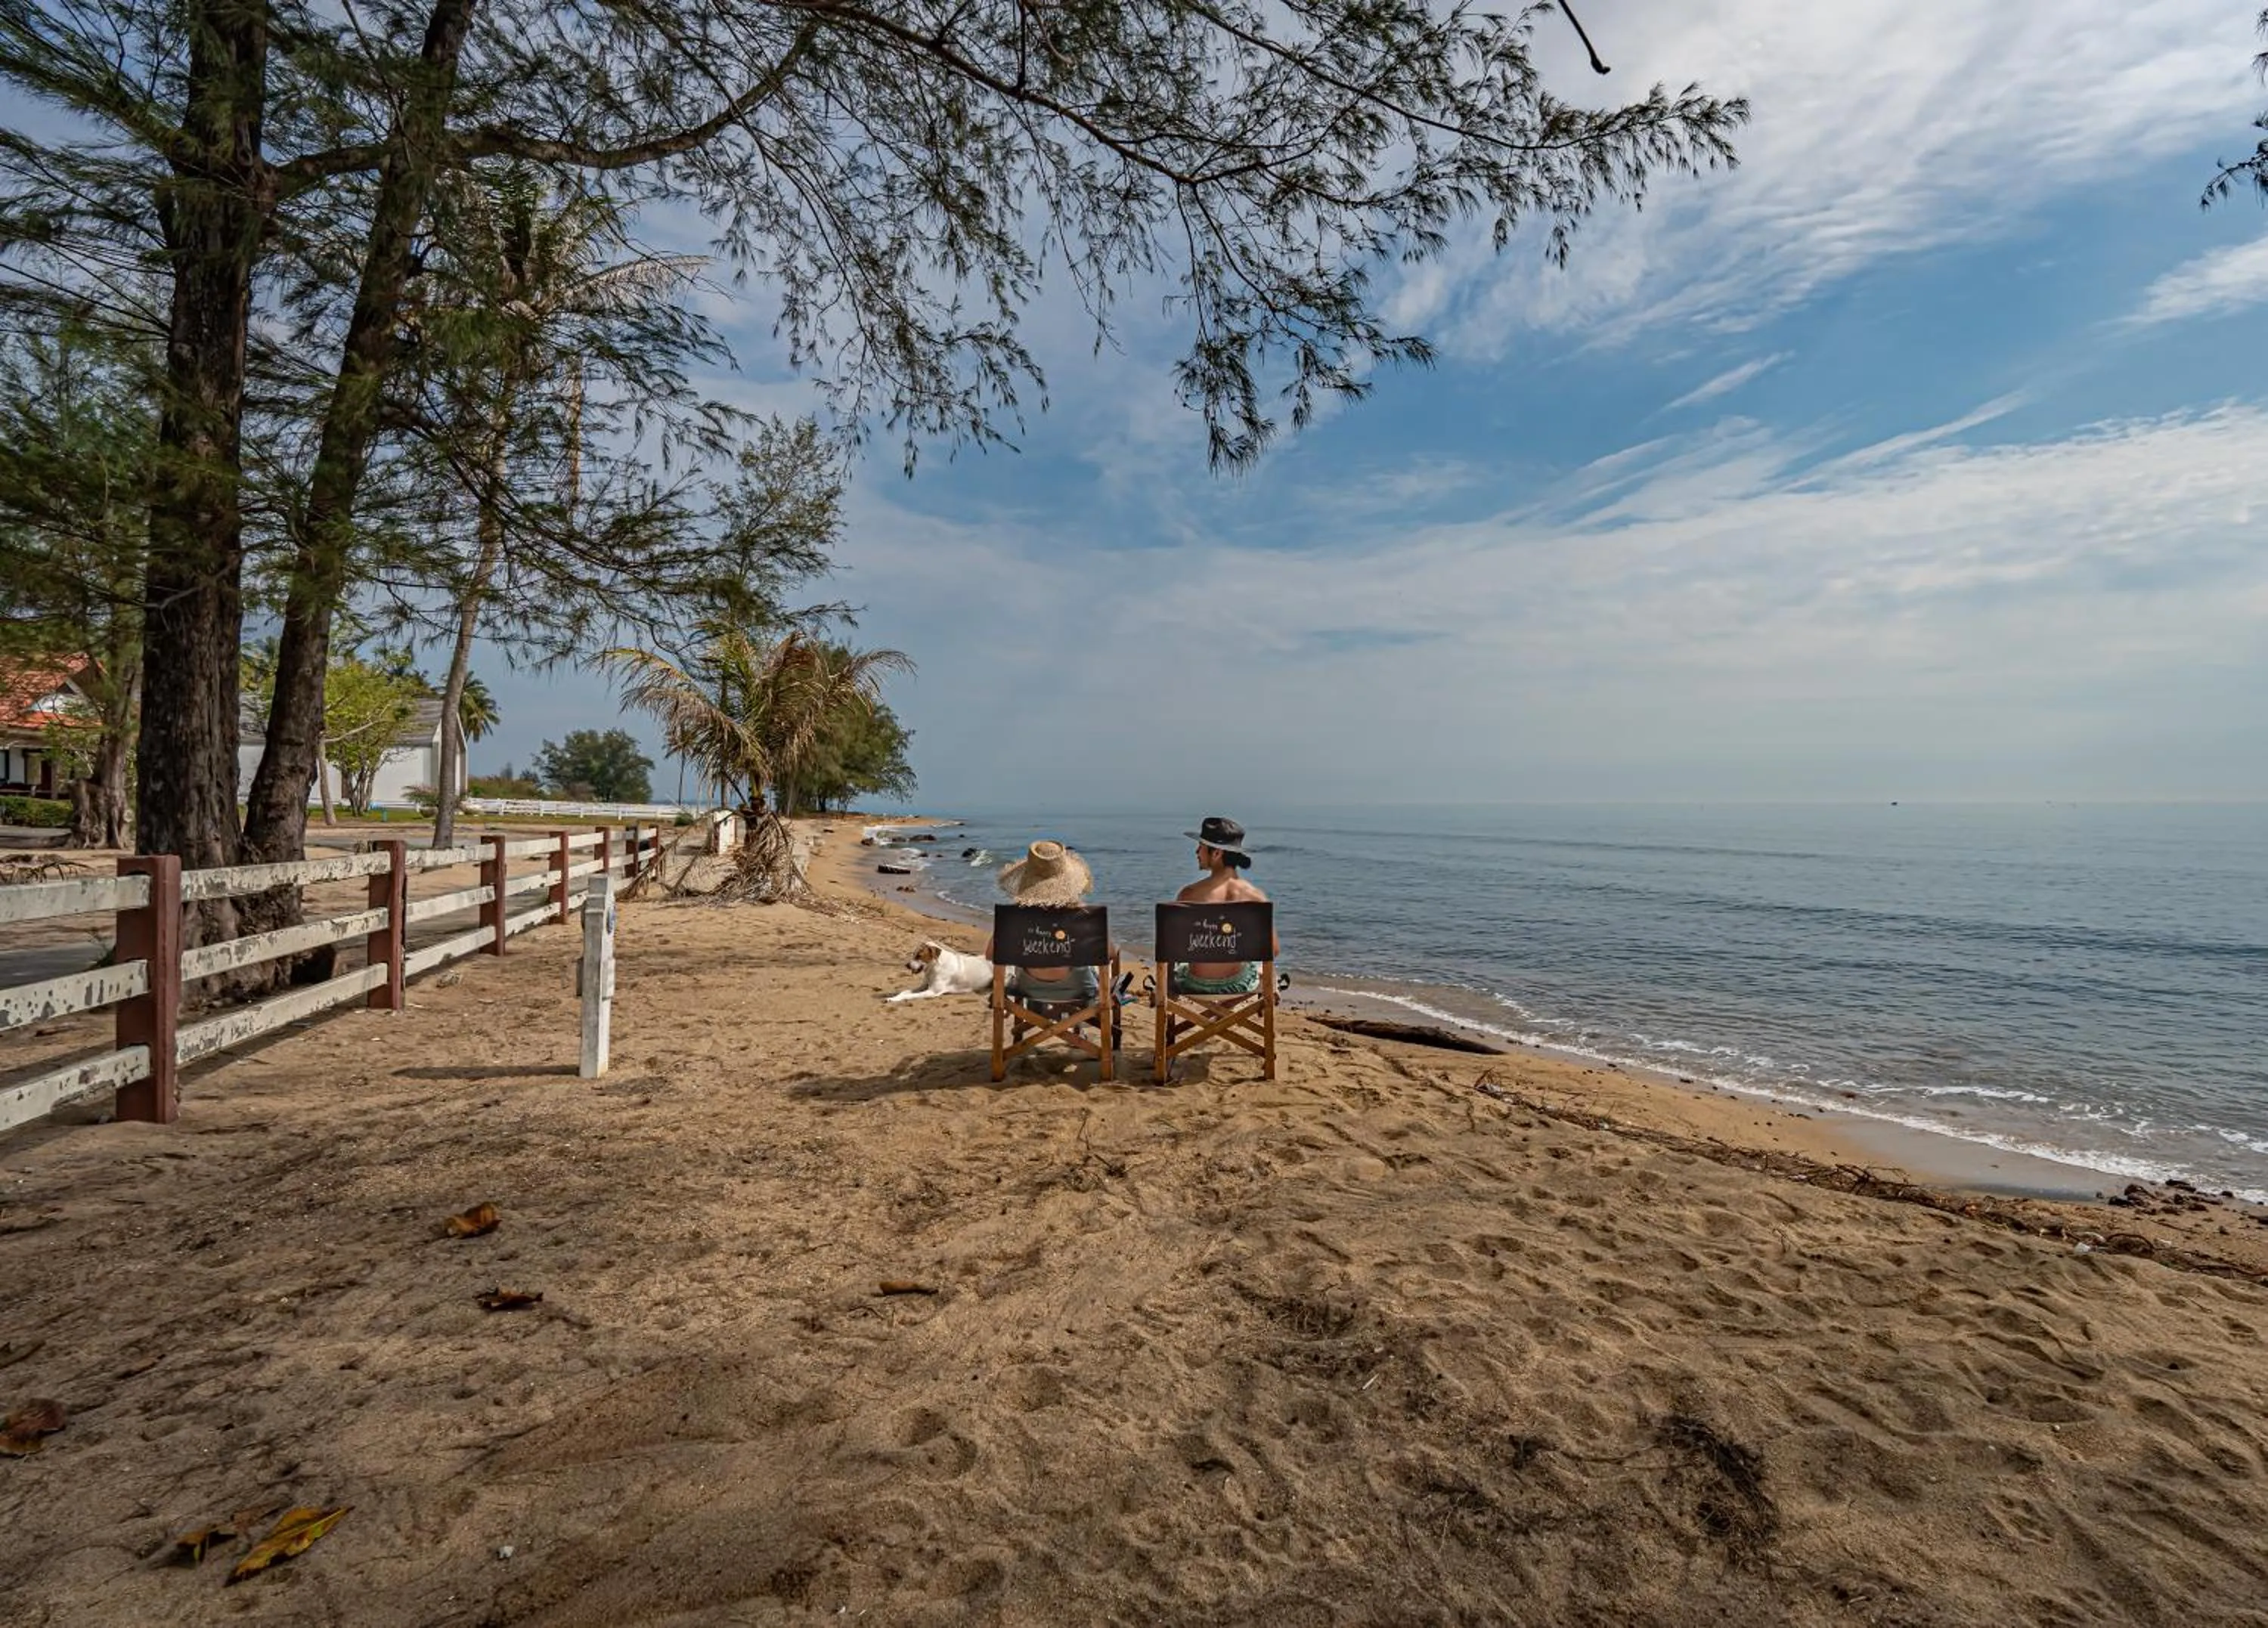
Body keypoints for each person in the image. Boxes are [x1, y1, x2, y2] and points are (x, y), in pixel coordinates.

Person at [987, 839, 1108, 1007]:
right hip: (1079, 988)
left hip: (1028, 988)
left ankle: (1037, 1013)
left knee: (1028, 967)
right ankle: (1077, 1023)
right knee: (1092, 972)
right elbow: (1109, 953)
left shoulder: (1013, 918)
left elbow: (991, 954)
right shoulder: (1084, 917)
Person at [1172, 815, 1279, 995]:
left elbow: (1173, 948)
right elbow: (1273, 950)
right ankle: (1268, 990)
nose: (1196, 852)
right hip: (1238, 984)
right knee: (1258, 964)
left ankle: (1215, 1020)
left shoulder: (1188, 894)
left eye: (1201, 847)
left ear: (1217, 853)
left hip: (1193, 983)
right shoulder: (1256, 898)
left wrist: (1166, 985)